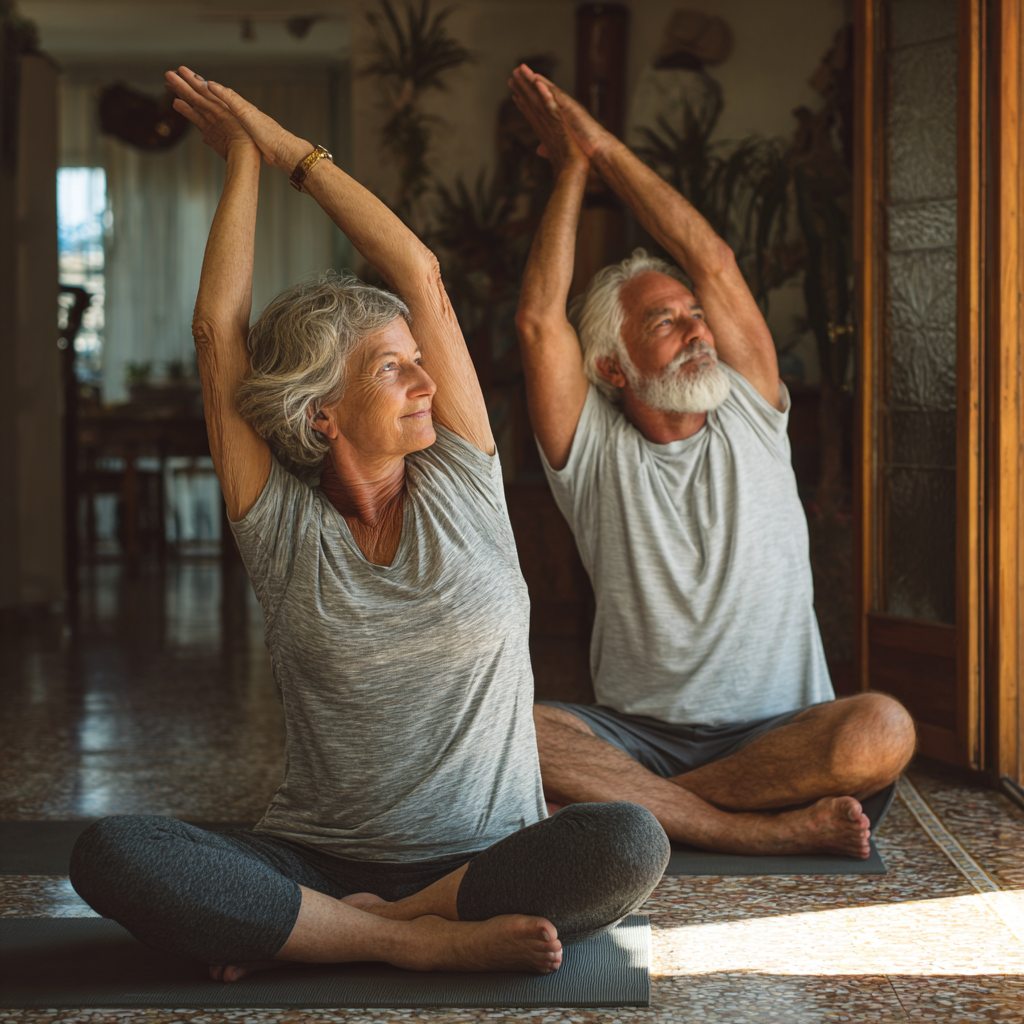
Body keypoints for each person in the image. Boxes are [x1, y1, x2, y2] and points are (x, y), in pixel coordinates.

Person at [69, 67, 670, 984]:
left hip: (485, 856)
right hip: (317, 857)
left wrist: (284, 149)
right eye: (392, 368)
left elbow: (418, 271)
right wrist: (239, 163)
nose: (426, 382)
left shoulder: (463, 477)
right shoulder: (278, 524)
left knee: (628, 840)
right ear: (322, 414)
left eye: (419, 360)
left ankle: (334, 931)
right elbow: (218, 330)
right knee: (111, 853)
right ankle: (409, 939)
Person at [509, 65, 916, 860]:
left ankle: (652, 808)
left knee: (883, 728)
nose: (699, 331)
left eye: (695, 315)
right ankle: (747, 826)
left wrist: (599, 146)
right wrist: (570, 174)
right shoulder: (591, 450)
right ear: (612, 367)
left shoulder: (750, 408)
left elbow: (715, 258)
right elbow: (536, 321)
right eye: (665, 322)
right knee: (500, 723)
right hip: (640, 736)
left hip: (783, 734)